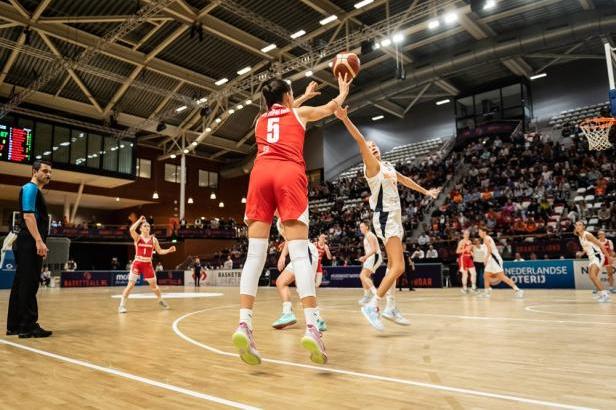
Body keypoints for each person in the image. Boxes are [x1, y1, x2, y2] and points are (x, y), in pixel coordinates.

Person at [232, 75, 351, 365]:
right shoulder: (298, 113)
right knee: (300, 254)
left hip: (260, 176)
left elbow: (283, 113)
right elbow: (331, 107)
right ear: (287, 95)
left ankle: (244, 324)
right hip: (288, 175)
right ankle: (312, 326)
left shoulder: (260, 121)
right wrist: (344, 89)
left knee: (254, 255)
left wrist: (303, 97)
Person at [334, 106, 440, 331]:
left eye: (376, 147)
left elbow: (406, 180)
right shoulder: (371, 168)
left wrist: (426, 192)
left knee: (393, 264)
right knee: (399, 267)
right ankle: (374, 305)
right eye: (369, 148)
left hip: (395, 219)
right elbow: (360, 140)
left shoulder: (388, 166)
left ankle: (391, 306)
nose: (373, 149)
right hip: (385, 218)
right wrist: (345, 119)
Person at [6, 160, 53, 338]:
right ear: (34, 171)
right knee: (30, 283)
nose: (48, 175)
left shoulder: (34, 190)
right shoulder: (30, 188)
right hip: (29, 242)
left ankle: (15, 325)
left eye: (50, 172)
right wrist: (39, 241)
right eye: (45, 171)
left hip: (27, 241)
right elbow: (27, 215)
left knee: (21, 284)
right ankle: (28, 325)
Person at [272, 218, 327, 332]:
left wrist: (282, 256)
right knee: (282, 282)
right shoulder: (284, 217)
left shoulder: (284, 217)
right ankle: (289, 313)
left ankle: (316, 319)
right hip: (301, 250)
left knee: (303, 287)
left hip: (305, 251)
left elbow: (289, 237)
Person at [118, 216, 176, 313]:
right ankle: (122, 305)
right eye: (144, 226)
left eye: (148, 226)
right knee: (131, 285)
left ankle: (160, 300)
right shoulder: (137, 237)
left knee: (154, 287)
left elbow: (160, 251)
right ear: (140, 228)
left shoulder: (154, 240)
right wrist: (140, 220)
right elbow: (131, 229)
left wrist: (169, 250)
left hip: (147, 264)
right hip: (137, 263)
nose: (147, 227)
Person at [478, 226, 524, 299]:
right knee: (486, 276)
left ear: (484, 232)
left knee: (502, 277)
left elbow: (489, 250)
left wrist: (486, 259)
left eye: (479, 232)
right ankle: (487, 292)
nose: (478, 233)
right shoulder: (486, 239)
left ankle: (518, 290)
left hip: (494, 260)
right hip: (491, 260)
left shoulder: (486, 238)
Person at [575, 222, 610, 302]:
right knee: (592, 276)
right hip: (591, 258)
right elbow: (586, 247)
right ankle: (601, 294)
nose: (578, 226)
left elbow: (601, 245)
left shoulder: (587, 235)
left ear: (583, 227)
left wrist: (608, 257)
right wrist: (582, 253)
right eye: (576, 225)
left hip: (597, 256)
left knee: (593, 275)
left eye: (580, 225)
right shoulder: (580, 236)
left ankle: (605, 295)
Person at [357, 220, 383, 305]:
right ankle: (367, 297)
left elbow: (374, 249)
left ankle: (376, 294)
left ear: (367, 227)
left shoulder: (369, 235)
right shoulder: (367, 236)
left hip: (374, 256)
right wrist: (365, 258)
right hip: (370, 257)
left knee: (363, 275)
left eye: (362, 226)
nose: (360, 228)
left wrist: (364, 257)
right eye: (360, 227)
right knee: (364, 277)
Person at [456, 230, 477, 294]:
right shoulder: (461, 242)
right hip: (463, 258)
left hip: (469, 258)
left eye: (468, 234)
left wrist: (472, 253)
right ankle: (464, 288)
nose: (467, 235)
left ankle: (473, 287)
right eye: (466, 234)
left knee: (474, 273)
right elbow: (457, 251)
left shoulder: (470, 242)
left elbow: (470, 250)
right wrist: (465, 249)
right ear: (463, 235)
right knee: (465, 274)